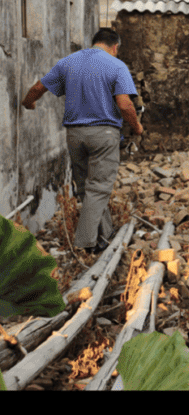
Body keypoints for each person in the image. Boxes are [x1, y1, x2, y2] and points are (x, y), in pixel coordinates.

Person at [21, 28, 143, 254]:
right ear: (115, 47)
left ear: (94, 42)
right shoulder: (117, 66)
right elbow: (125, 104)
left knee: (87, 189)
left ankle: (103, 237)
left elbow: (38, 87)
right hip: (104, 134)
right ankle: (84, 244)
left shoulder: (69, 62)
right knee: (99, 189)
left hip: (75, 135)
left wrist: (28, 103)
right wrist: (137, 127)